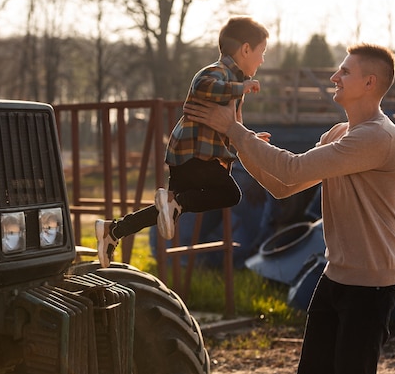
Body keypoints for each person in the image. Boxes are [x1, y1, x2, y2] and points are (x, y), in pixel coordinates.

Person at [184, 43, 395, 374]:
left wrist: (235, 130)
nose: (335, 77)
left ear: (370, 83)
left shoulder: (378, 137)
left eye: (345, 72)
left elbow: (292, 168)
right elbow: (284, 186)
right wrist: (241, 143)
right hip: (336, 276)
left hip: (371, 285)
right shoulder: (339, 133)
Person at [95, 15, 270, 268]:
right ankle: (174, 204)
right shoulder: (217, 73)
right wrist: (240, 88)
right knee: (230, 194)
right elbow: (203, 86)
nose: (263, 59)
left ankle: (113, 231)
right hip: (192, 155)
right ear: (245, 49)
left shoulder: (235, 85)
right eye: (261, 52)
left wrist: (250, 138)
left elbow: (235, 126)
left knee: (167, 210)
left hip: (188, 157)